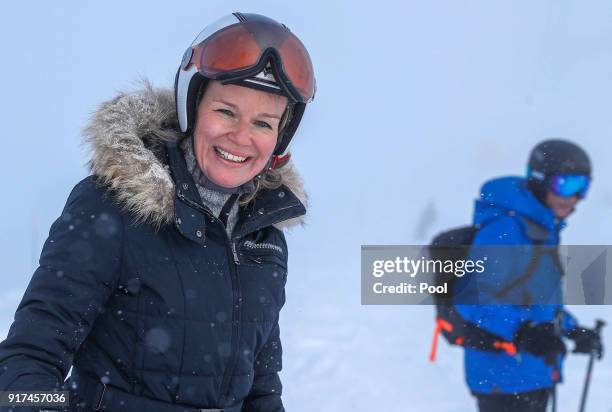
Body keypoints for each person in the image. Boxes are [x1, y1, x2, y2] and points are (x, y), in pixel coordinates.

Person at [0, 12, 315, 412]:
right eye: (226, 112)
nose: (241, 137)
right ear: (193, 106)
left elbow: (262, 393)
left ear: (279, 138)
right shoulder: (111, 210)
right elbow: (26, 362)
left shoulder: (264, 240)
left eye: (264, 123)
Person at [454, 139, 604, 412]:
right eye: (565, 185)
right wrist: (523, 332)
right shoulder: (507, 229)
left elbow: (538, 302)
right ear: (539, 179)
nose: (573, 197)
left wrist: (572, 329)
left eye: (582, 187)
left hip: (532, 372)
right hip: (502, 374)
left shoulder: (542, 229)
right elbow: (469, 298)